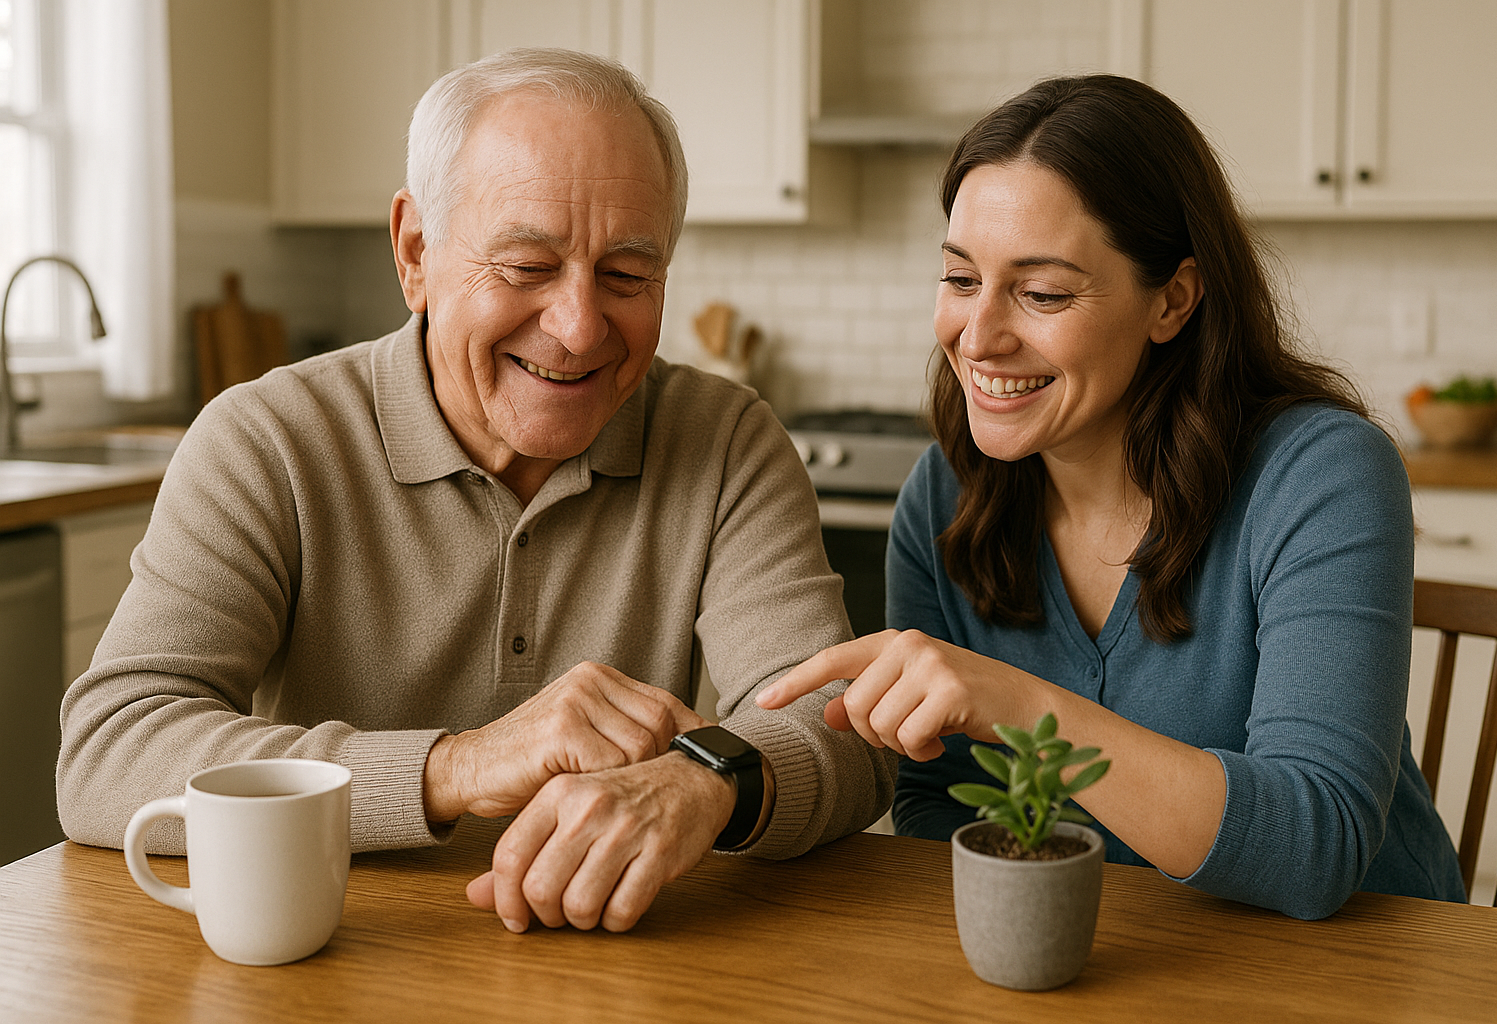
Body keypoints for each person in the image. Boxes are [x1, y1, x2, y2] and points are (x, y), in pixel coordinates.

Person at [56, 48, 895, 934]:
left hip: (625, 971)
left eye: (627, 275)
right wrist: (457, 765)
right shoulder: (265, 439)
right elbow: (110, 751)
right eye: (527, 268)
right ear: (416, 252)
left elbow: (837, 731)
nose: (577, 329)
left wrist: (706, 775)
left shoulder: (726, 439)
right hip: (337, 962)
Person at [758, 74, 1465, 920]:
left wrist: (1019, 706)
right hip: (1111, 964)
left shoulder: (1322, 474)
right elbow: (937, 806)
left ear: (1172, 299)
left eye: (1043, 292)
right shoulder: (944, 496)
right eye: (958, 278)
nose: (978, 335)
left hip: (1369, 973)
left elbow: (1317, 844)